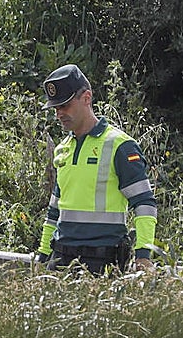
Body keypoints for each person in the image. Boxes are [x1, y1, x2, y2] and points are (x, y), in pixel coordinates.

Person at [36, 64, 157, 273]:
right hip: (61, 258)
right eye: (56, 108)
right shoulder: (63, 148)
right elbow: (55, 209)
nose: (59, 114)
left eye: (64, 105)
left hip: (103, 261)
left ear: (86, 98)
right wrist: (43, 255)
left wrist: (143, 256)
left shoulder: (120, 145)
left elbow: (144, 202)